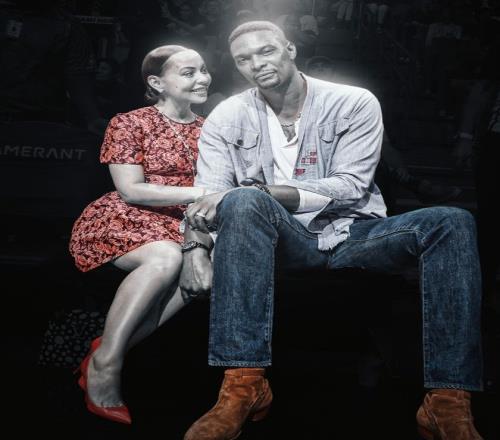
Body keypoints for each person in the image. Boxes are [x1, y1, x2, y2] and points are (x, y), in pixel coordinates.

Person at [178, 21, 484, 440]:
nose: (256, 63)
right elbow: (208, 196)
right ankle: (243, 386)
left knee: (453, 221)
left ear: (289, 49)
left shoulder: (353, 102)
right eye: (244, 59)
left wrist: (262, 190)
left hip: (353, 234)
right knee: (243, 201)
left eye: (266, 51)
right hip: (279, 239)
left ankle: (447, 401)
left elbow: (350, 186)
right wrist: (194, 249)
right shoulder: (227, 116)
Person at [69, 44, 212, 424]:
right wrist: (204, 192)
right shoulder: (129, 122)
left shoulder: (212, 129)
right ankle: (106, 370)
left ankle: (106, 352)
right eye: (189, 72)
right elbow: (131, 190)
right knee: (167, 257)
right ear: (157, 83)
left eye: (203, 70)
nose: (202, 78)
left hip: (186, 223)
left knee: (199, 271)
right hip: (126, 218)